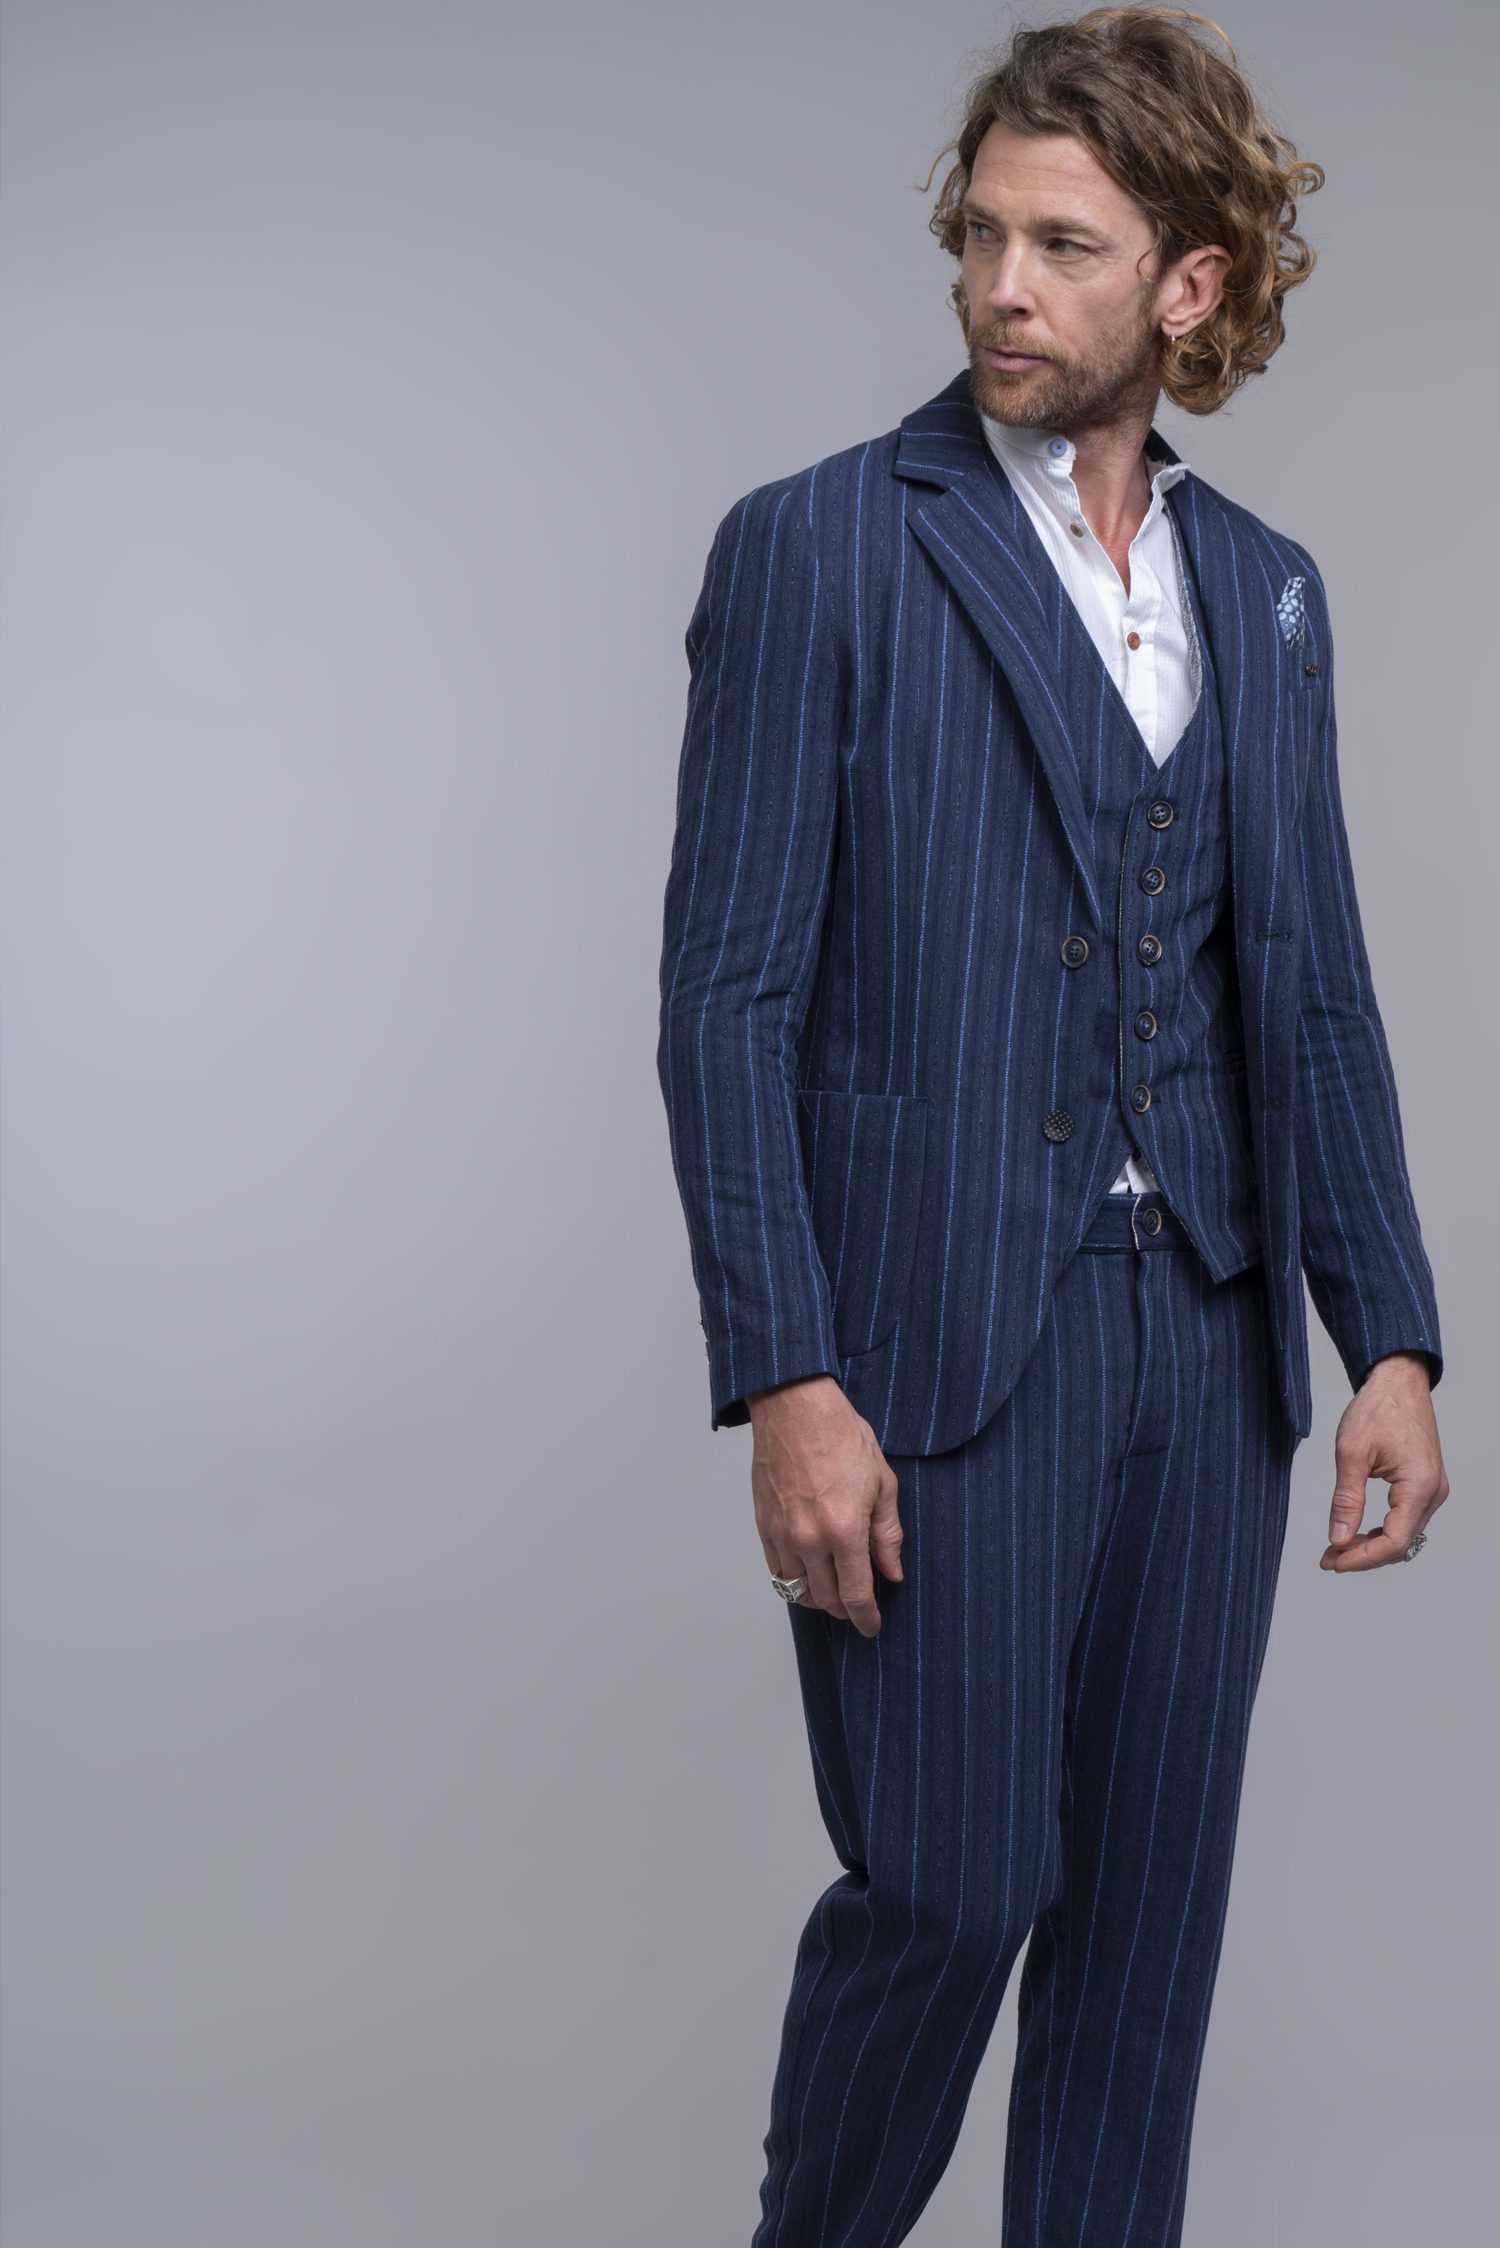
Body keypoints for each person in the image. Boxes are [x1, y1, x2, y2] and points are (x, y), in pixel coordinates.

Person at [654, 8, 1451, 2242]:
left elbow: (1311, 985)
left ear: (1191, 284)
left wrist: (1388, 1332)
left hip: (1205, 1338)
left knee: (1141, 1939)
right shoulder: (822, 545)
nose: (1000, 287)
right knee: (954, 1880)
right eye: (984, 236)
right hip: (931, 1342)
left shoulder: (1267, 589)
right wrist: (787, 1375)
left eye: (1065, 247)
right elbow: (725, 1003)